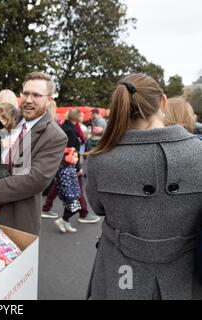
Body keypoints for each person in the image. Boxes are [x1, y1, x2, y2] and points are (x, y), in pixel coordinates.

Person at [85, 73, 202, 300]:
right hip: (185, 279)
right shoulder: (199, 153)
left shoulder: (101, 157)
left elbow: (98, 208)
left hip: (119, 276)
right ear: (163, 102)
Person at [0, 72, 68, 235]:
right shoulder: (10, 120)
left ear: (49, 99)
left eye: (37, 95)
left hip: (17, 221)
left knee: (14, 261)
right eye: (26, 93)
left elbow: (35, 179)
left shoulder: (55, 136)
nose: (29, 99)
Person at [41, 109, 98, 224]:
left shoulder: (67, 127)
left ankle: (46, 208)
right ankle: (83, 213)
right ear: (76, 117)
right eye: (81, 115)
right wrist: (78, 168)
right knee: (78, 188)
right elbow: (71, 151)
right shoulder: (70, 130)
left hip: (63, 164)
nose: (83, 117)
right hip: (68, 165)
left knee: (57, 186)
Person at [53, 147, 81, 233]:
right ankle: (62, 220)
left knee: (68, 209)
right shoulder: (67, 170)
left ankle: (66, 223)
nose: (77, 159)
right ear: (68, 158)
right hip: (69, 195)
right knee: (76, 208)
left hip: (71, 194)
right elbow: (66, 185)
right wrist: (70, 196)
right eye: (75, 156)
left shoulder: (71, 168)